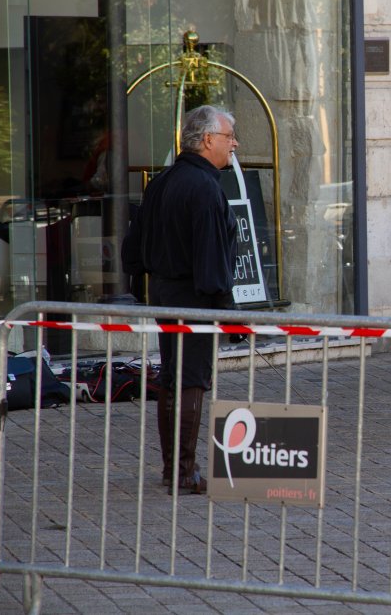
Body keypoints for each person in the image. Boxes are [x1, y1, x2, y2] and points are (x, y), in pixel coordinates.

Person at [122, 105, 238, 493]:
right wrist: (227, 312)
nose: (234, 144)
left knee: (173, 377)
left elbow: (133, 250)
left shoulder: (162, 181)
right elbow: (212, 257)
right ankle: (182, 471)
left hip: (166, 294)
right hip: (194, 298)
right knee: (189, 379)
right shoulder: (204, 187)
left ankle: (175, 468)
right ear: (208, 140)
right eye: (229, 137)